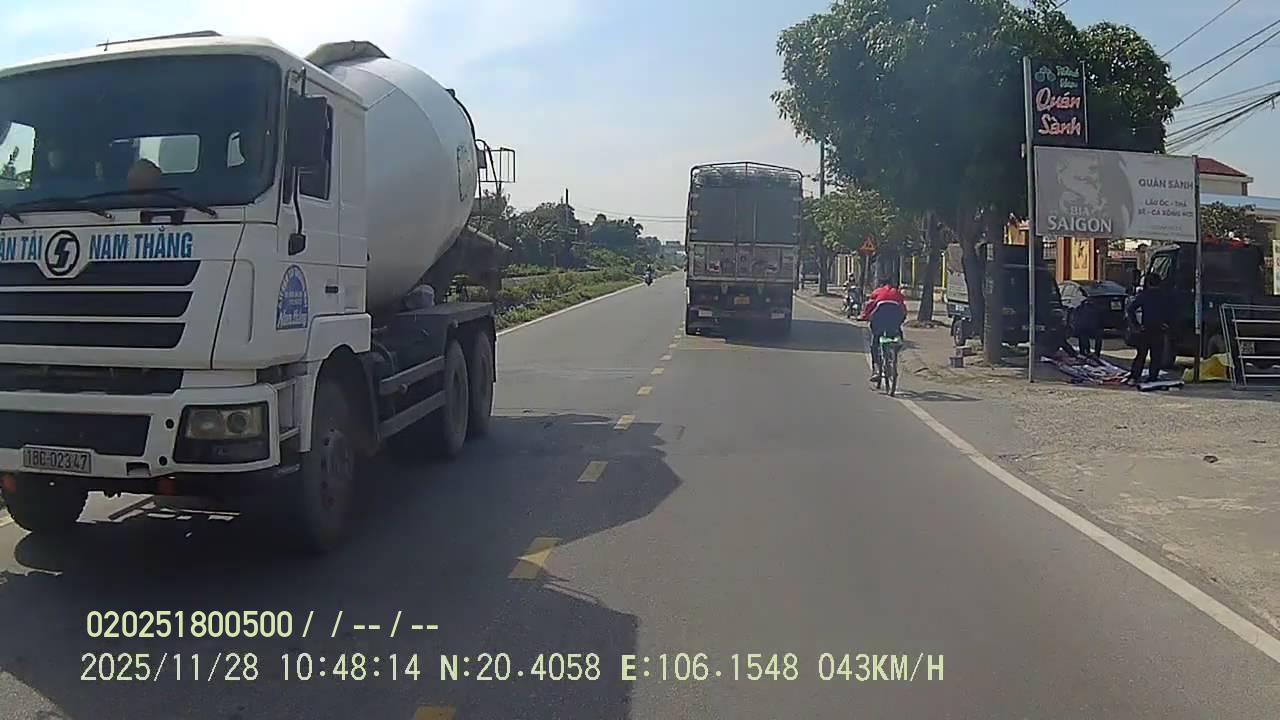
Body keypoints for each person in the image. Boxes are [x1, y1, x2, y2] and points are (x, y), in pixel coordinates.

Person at [1126, 272, 1173, 386]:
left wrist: (1137, 325)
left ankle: (1134, 376)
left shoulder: (1144, 295)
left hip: (1146, 328)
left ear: (1147, 283)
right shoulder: (1165, 296)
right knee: (1156, 355)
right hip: (1159, 329)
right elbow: (1172, 311)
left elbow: (1131, 309)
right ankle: (1153, 377)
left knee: (1141, 354)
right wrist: (1167, 323)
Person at [861, 280, 908, 381]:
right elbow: (903, 308)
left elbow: (869, 306)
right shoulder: (897, 293)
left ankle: (876, 369)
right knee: (896, 334)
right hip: (894, 320)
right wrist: (902, 319)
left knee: (875, 342)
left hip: (879, 320)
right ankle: (895, 351)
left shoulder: (877, 292)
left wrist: (863, 316)